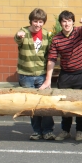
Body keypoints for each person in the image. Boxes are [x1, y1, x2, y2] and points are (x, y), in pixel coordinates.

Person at [40, 11, 82, 141]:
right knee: (65, 104)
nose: (67, 24)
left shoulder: (79, 32)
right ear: (60, 23)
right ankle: (65, 130)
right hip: (66, 75)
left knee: (81, 104)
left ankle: (80, 130)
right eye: (64, 21)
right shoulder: (56, 39)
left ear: (73, 22)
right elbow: (52, 59)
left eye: (69, 21)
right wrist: (48, 80)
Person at [15, 8, 55, 140]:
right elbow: (17, 39)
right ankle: (37, 131)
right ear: (31, 21)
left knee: (45, 103)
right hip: (26, 75)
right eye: (35, 21)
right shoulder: (24, 32)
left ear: (44, 22)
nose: (38, 24)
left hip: (41, 75)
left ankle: (48, 131)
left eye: (40, 22)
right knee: (32, 104)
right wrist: (18, 36)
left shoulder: (46, 34)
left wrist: (48, 77)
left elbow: (50, 54)